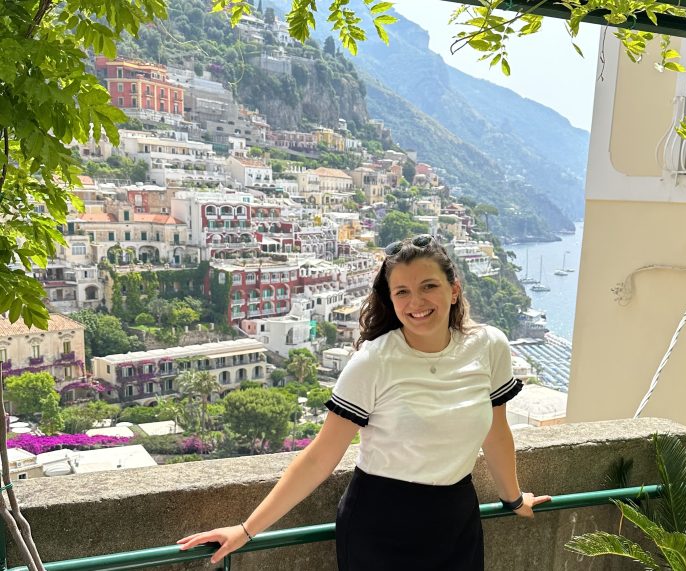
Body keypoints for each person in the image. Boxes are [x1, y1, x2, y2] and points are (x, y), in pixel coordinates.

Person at [177, 234, 551, 570]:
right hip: (380, 526)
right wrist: (246, 530)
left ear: (454, 290)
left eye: (428, 286)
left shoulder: (489, 346)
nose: (415, 302)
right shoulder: (374, 361)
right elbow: (320, 457)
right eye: (401, 291)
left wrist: (514, 500)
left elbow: (497, 432)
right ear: (390, 299)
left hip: (456, 520)